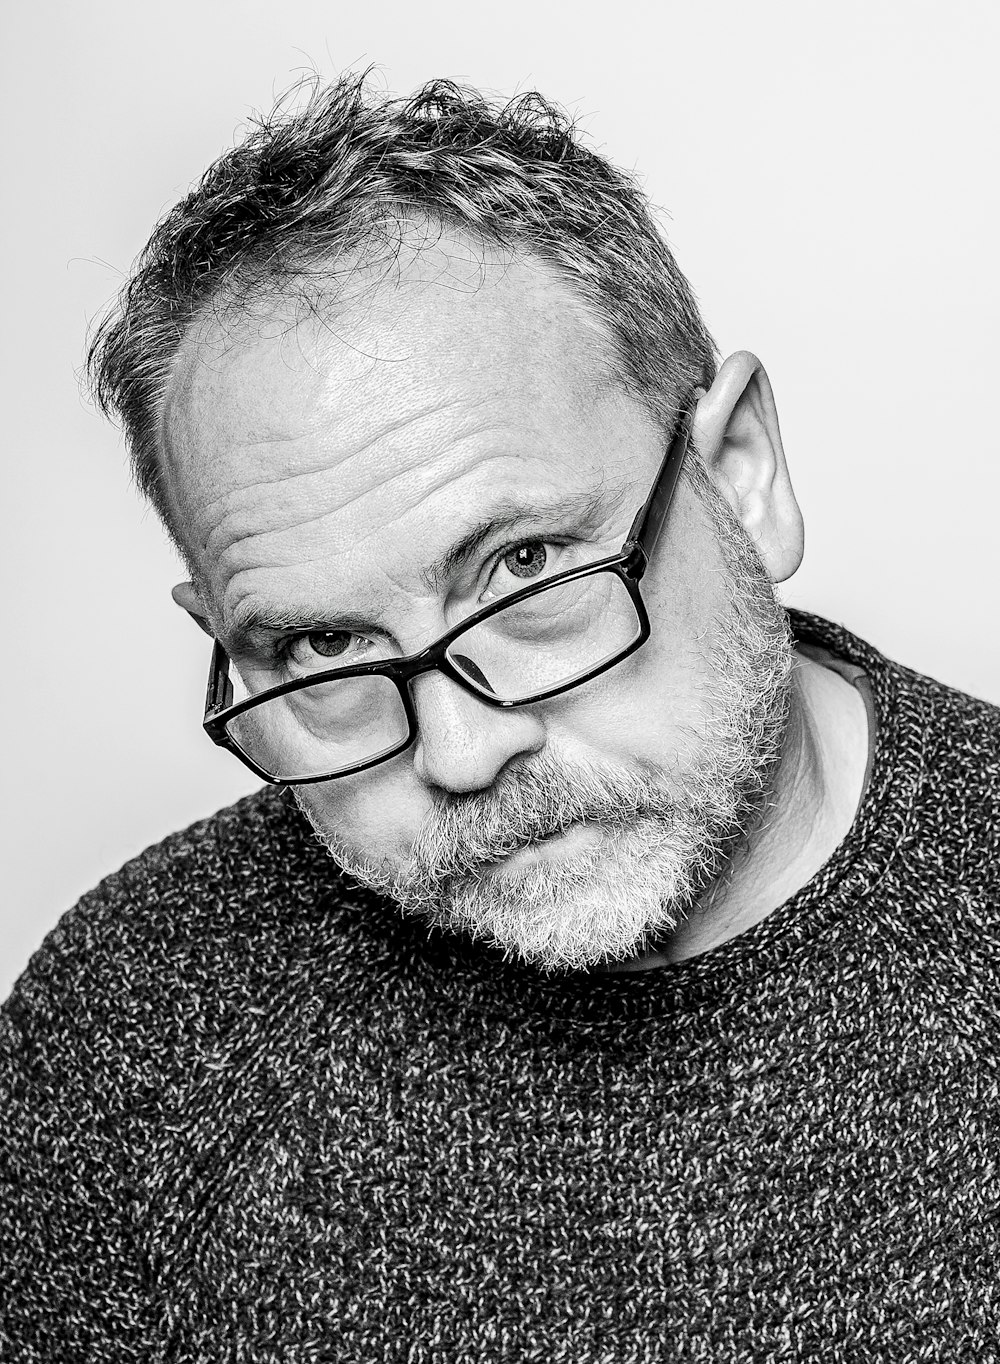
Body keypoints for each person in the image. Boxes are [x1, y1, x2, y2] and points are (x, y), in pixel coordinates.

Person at [2, 72, 997, 1362]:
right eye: (321, 643)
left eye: (526, 571)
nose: (461, 754)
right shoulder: (132, 1018)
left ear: (740, 478)